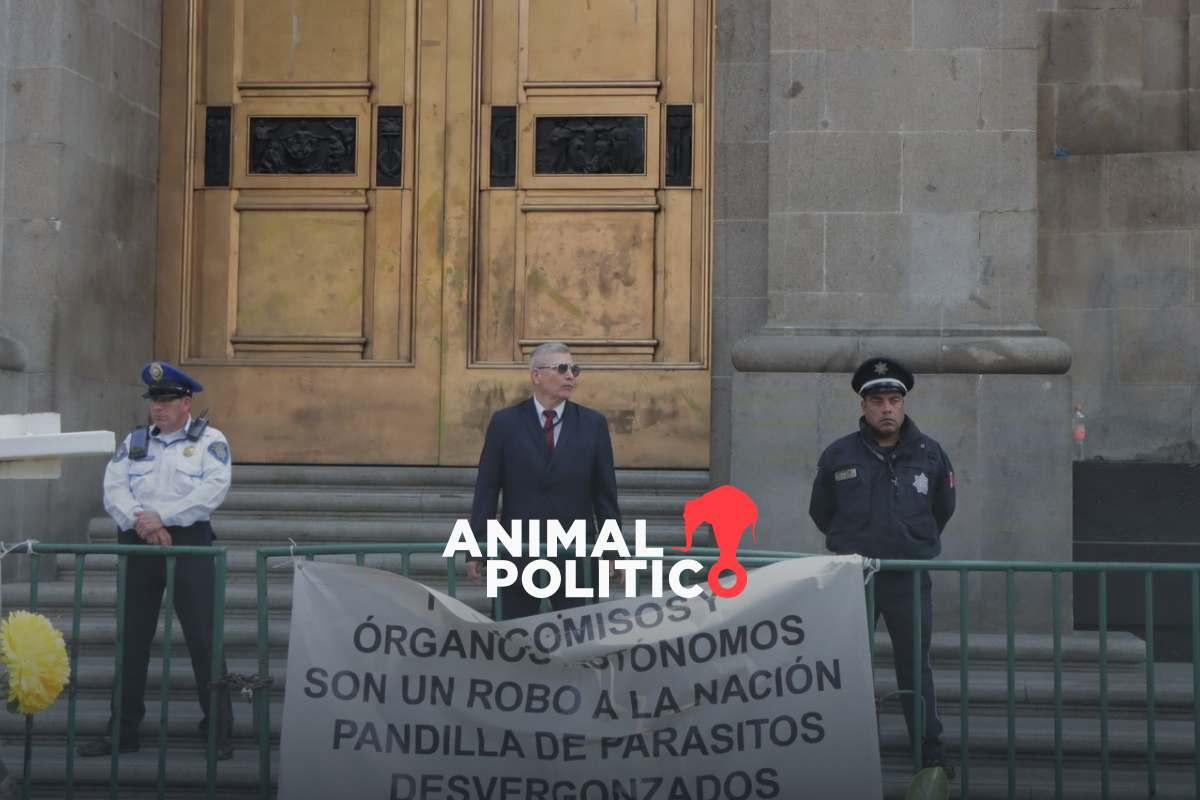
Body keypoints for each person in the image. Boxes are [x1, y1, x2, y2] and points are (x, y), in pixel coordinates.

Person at [79, 362, 234, 760]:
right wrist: (144, 523)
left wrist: (164, 518)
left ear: (187, 402)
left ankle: (218, 730)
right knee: (131, 638)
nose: (158, 408)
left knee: (204, 636)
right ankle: (123, 730)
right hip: (139, 541)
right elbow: (114, 488)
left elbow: (213, 489)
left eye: (166, 401)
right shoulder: (134, 442)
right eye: (154, 401)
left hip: (189, 543)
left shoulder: (209, 441)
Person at [808, 357, 956, 773]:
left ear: (904, 404)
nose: (886, 408)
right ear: (863, 406)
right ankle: (849, 748)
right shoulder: (839, 454)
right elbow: (822, 511)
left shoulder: (930, 453)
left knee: (914, 664)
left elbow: (943, 508)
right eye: (878, 401)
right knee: (850, 663)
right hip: (855, 576)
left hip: (907, 576)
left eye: (894, 400)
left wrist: (910, 542)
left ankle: (929, 750)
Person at [467, 342, 622, 619]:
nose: (570, 376)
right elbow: (487, 489)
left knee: (581, 639)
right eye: (562, 368)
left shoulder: (592, 423)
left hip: (576, 554)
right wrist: (478, 547)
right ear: (536, 375)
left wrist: (613, 551)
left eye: (574, 369)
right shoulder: (505, 423)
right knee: (512, 640)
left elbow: (604, 494)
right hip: (517, 554)